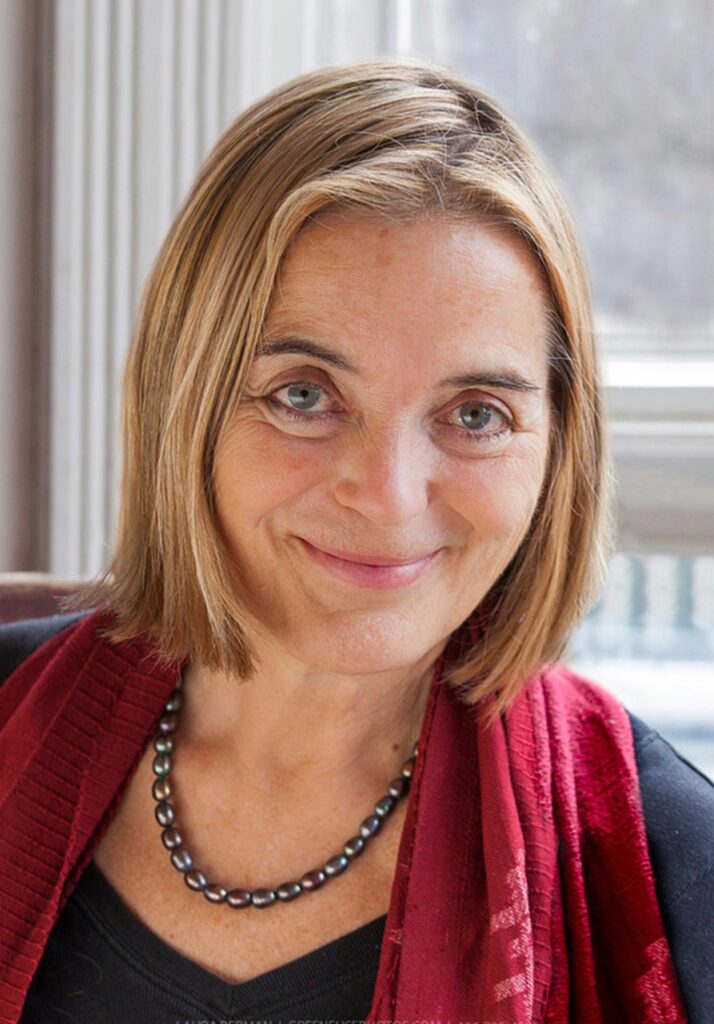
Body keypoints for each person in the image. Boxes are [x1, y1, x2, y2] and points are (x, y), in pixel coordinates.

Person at [0, 57, 712, 1024]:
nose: (385, 495)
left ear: (557, 444)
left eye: (475, 413)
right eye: (303, 395)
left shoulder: (673, 871)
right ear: (187, 402)